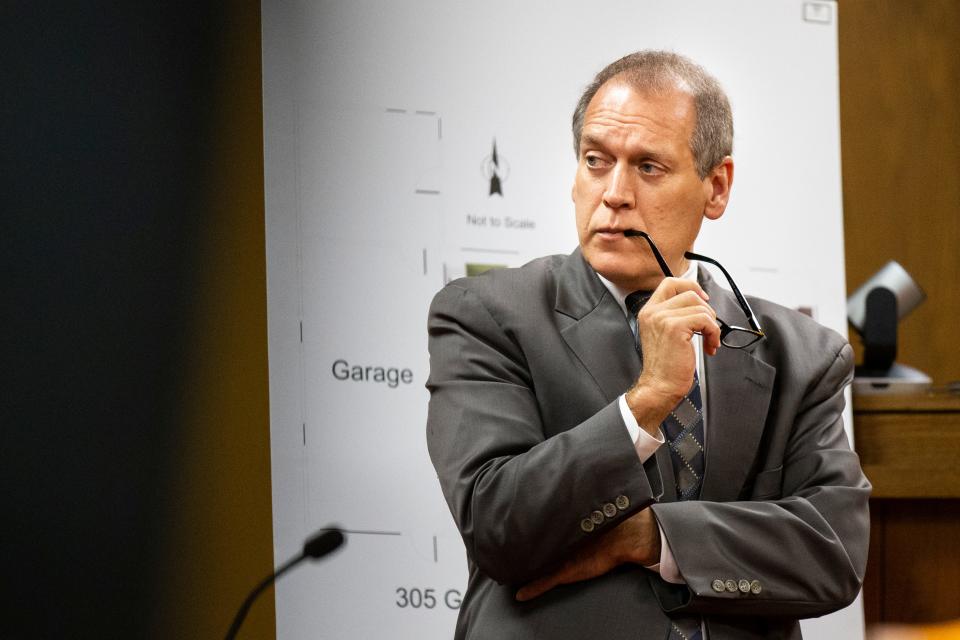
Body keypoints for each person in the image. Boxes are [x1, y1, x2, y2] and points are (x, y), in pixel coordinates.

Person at [426, 50, 870, 640]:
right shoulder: (489, 314)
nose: (614, 194)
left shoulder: (805, 355)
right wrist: (646, 402)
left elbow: (833, 553)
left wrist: (652, 536)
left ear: (716, 187)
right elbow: (497, 524)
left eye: (649, 168)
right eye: (595, 161)